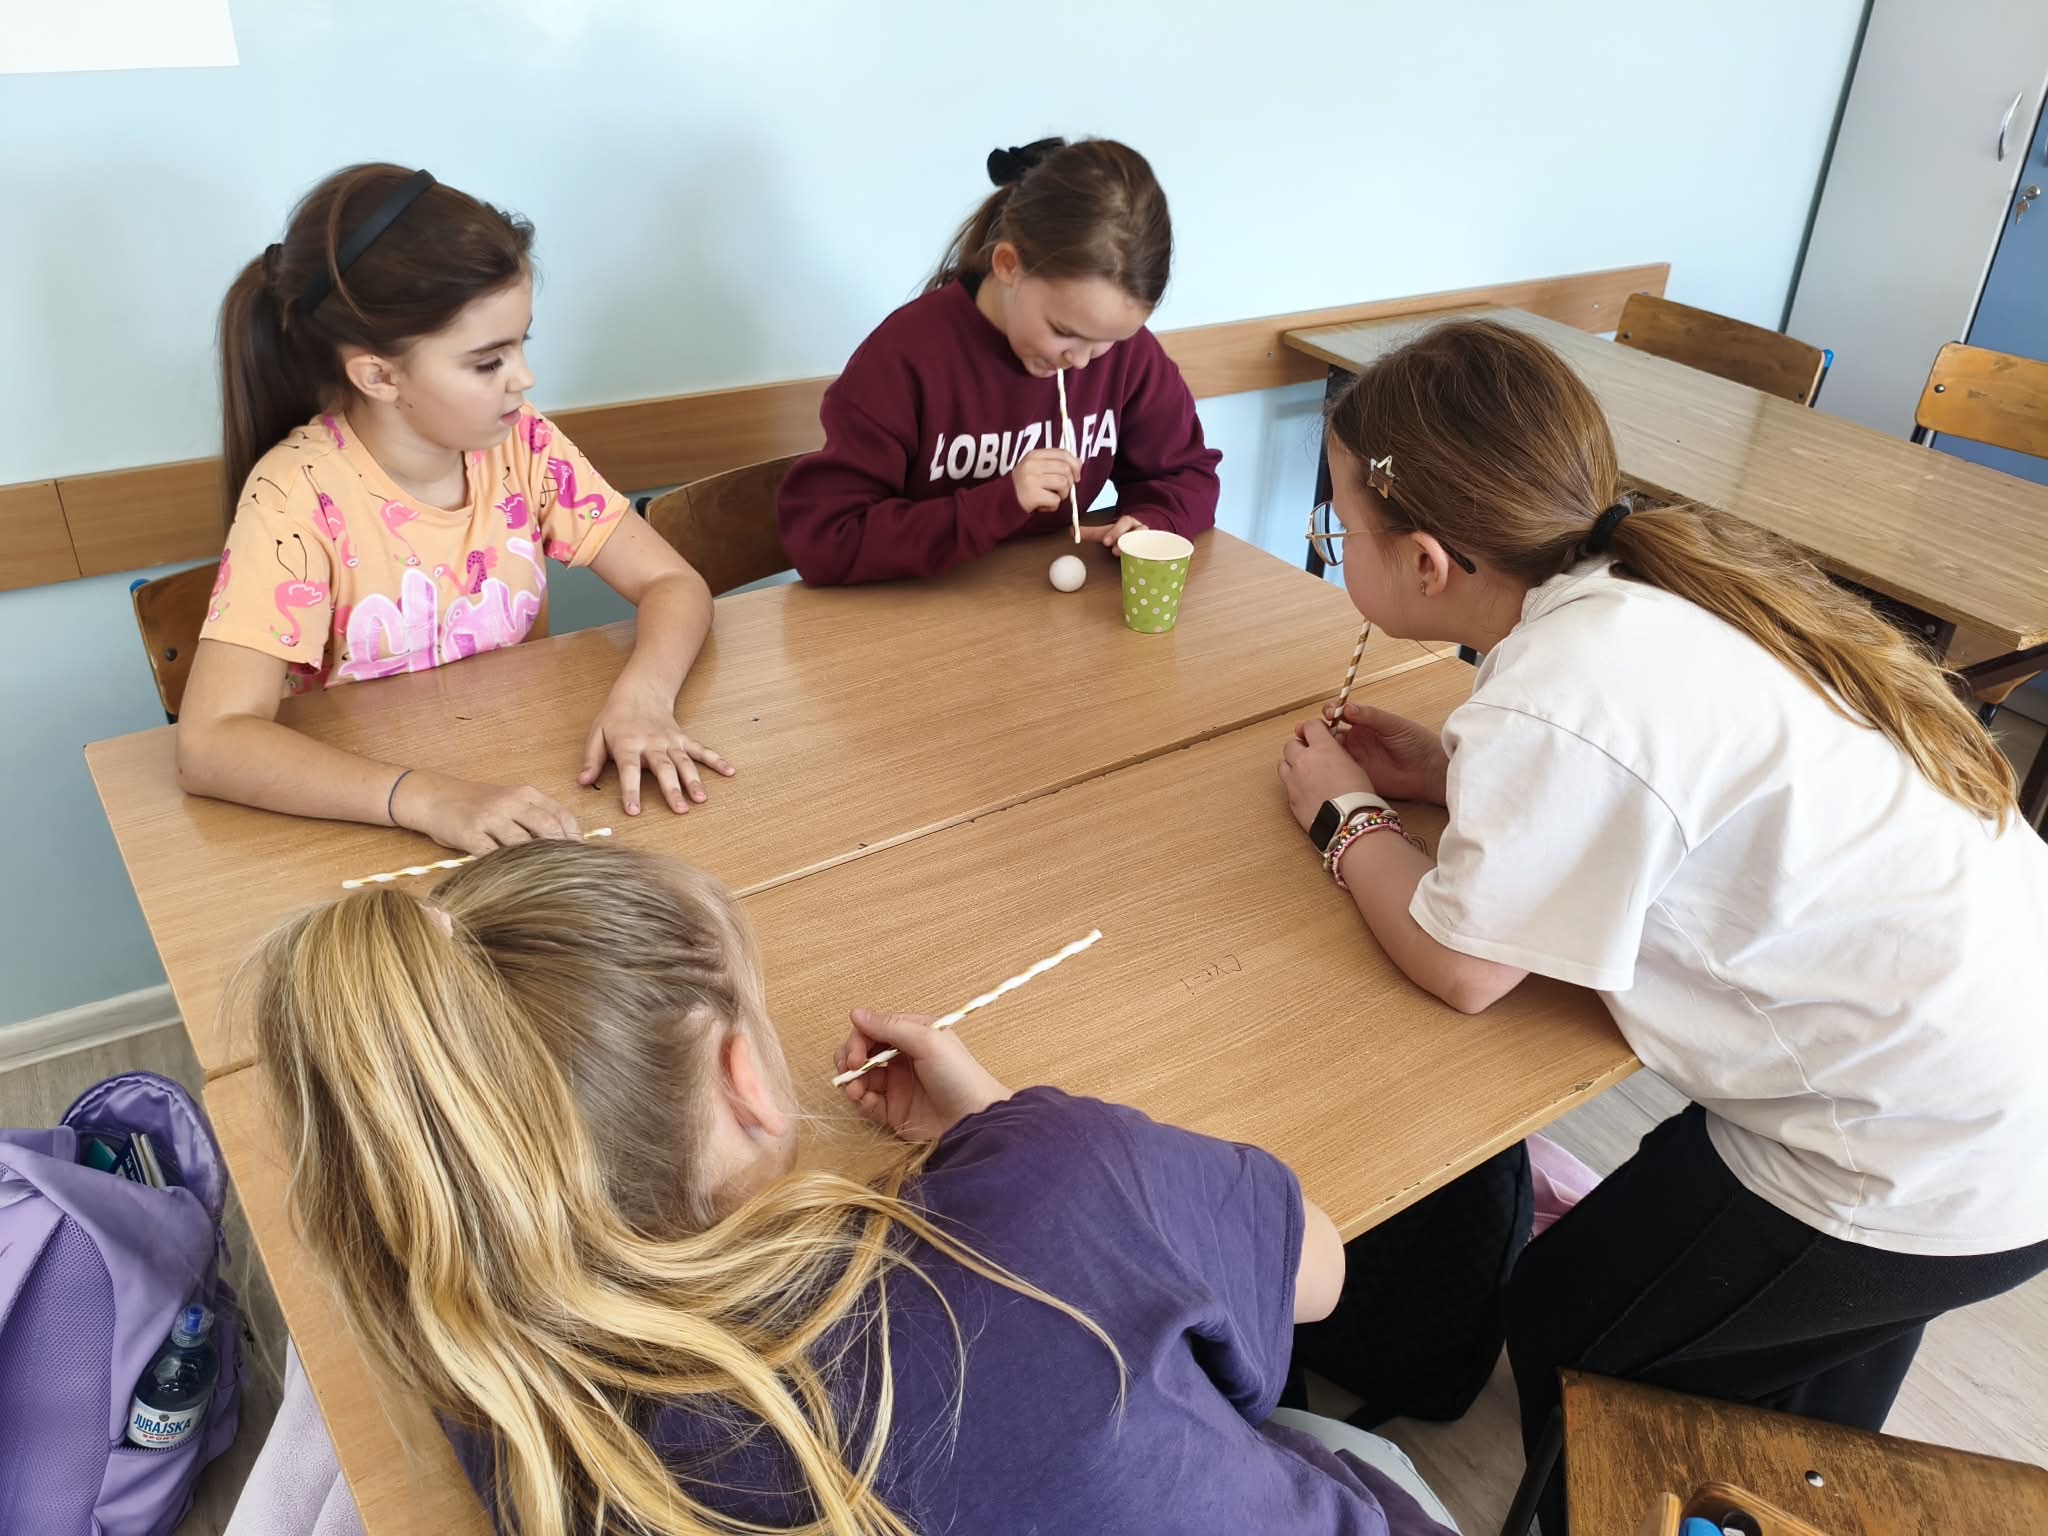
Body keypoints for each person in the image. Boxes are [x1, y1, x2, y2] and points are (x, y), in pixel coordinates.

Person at [1275, 317, 2048, 1531]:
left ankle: (1660, 1496)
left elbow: (1461, 966)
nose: (1334, 543)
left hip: (1914, 1153)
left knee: (1574, 1329)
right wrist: (1453, 776)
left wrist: (1344, 818)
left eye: (1339, 526)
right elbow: (1650, 784)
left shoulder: (1553, 694)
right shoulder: (1650, 584)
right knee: (1785, 1368)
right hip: (1992, 1088)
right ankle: (1785, 1473)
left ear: (1425, 563)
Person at [244, 838, 1461, 1536]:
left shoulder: (515, 1417)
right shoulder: (1061, 1182)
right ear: (746, 1081)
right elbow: (1314, 1271)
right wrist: (1010, 1125)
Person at [180, 163, 732, 853]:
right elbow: (211, 743)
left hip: (517, 793)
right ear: (379, 376)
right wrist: (426, 798)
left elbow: (672, 582)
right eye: (487, 361)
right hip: (364, 827)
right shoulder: (298, 495)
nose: (524, 378)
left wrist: (644, 698)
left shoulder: (523, 443)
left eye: (522, 344)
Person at [776, 137, 1220, 585]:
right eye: (1064, 331)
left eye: (1108, 340)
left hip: (1047, 612)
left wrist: (1152, 522)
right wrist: (1001, 502)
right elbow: (826, 538)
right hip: (922, 612)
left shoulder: (1129, 355)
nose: (1083, 362)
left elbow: (1185, 474)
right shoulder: (905, 359)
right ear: (1008, 265)